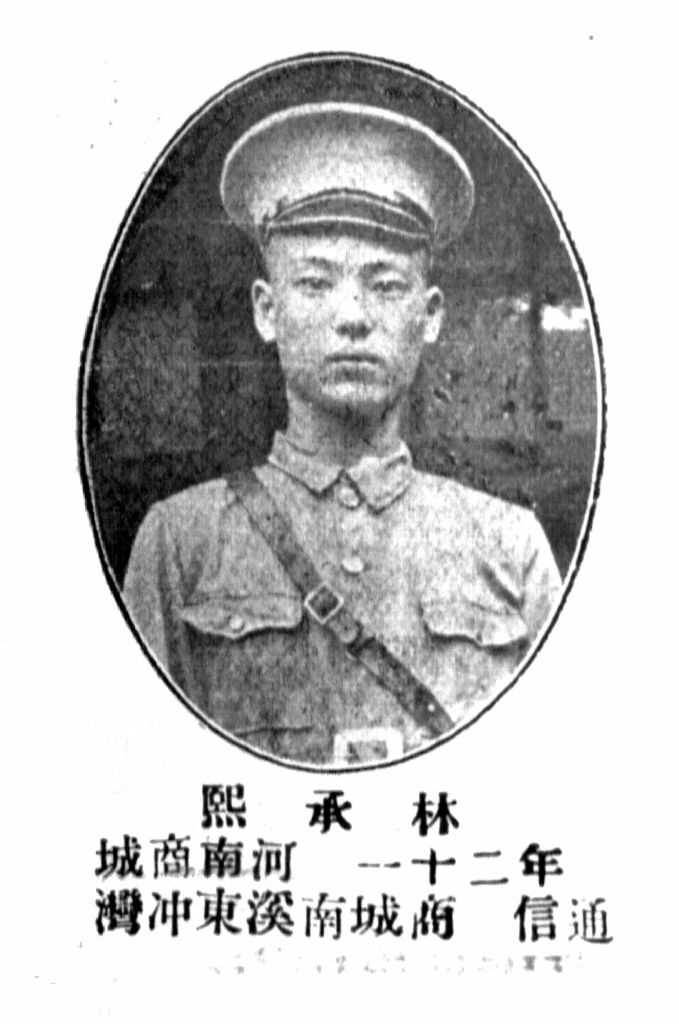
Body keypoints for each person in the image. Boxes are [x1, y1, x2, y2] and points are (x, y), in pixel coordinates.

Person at [123, 102, 561, 766]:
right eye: (315, 283)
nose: (352, 316)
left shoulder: (511, 548)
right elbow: (141, 776)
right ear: (266, 311)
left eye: (385, 285)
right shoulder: (179, 545)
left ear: (429, 316)